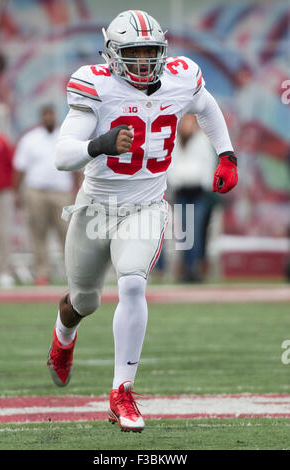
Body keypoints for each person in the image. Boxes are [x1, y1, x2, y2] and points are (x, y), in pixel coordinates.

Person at [47, 10, 238, 433]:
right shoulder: (95, 85)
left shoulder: (182, 76)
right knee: (84, 301)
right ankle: (63, 335)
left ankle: (121, 390)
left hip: (146, 206)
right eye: (134, 53)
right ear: (113, 54)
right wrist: (100, 143)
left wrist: (226, 154)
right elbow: (62, 156)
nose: (144, 61)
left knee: (132, 281)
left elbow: (206, 107)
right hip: (95, 208)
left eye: (152, 51)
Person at [13, 105, 78, 285]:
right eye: (46, 115)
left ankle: (72, 272)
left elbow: (76, 166)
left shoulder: (64, 137)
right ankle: (42, 272)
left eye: (51, 114)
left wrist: (77, 189)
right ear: (41, 117)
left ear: (55, 116)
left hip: (61, 192)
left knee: (67, 232)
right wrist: (16, 192)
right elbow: (20, 168)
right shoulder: (30, 139)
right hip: (36, 191)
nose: (49, 118)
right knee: (38, 232)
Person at [168, 114, 217, 282]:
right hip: (181, 192)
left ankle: (195, 268)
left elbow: (207, 166)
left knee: (196, 231)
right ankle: (186, 268)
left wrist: (203, 183)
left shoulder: (202, 141)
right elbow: (171, 166)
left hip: (198, 193)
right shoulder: (174, 140)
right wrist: (177, 180)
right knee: (184, 233)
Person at [0, 116, 15, 287]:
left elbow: (12, 166)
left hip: (1, 192)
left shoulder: (1, 141)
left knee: (3, 233)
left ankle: (5, 271)